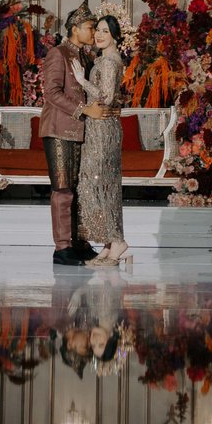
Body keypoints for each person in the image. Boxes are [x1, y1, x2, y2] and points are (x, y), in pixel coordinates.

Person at [37, 0, 110, 266]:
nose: (94, 33)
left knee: (80, 189)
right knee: (63, 189)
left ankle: (79, 242)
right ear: (75, 28)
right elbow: (51, 93)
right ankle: (62, 248)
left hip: (80, 133)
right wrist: (84, 110)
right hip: (59, 130)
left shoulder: (85, 56)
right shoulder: (58, 53)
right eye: (90, 27)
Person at [75, 15, 129, 267]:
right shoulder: (106, 59)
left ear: (115, 36)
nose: (98, 35)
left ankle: (117, 242)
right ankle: (109, 243)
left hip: (103, 129)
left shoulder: (109, 61)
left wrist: (82, 81)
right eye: (97, 30)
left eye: (105, 31)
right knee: (103, 184)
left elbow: (106, 98)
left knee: (100, 183)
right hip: (99, 127)